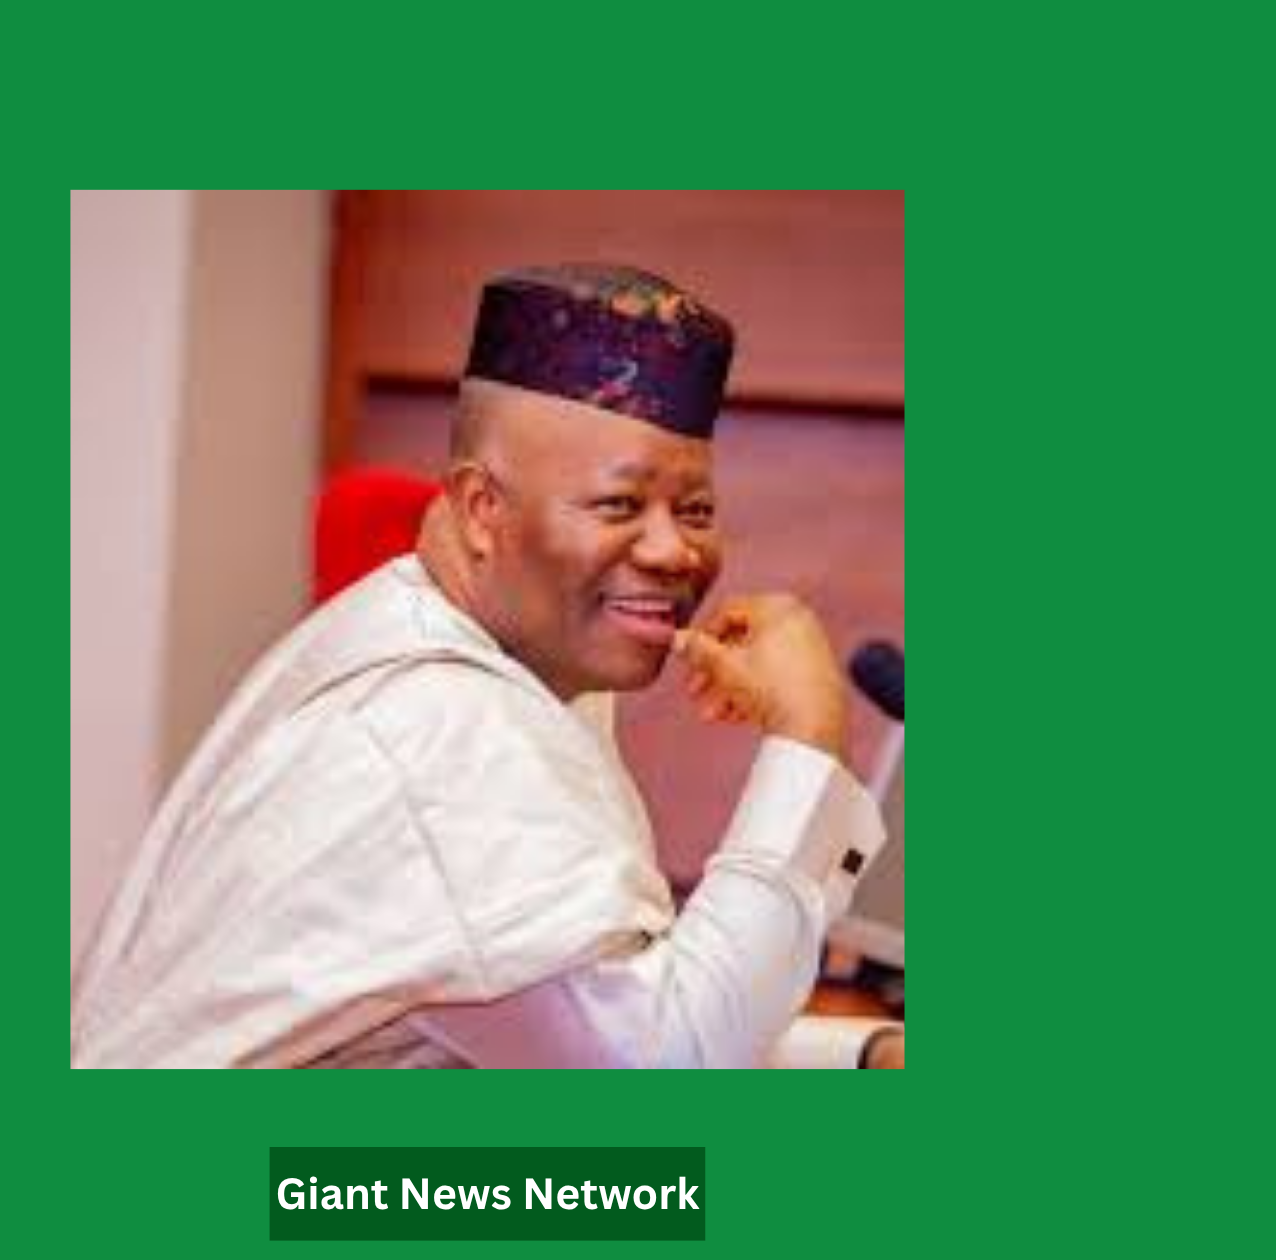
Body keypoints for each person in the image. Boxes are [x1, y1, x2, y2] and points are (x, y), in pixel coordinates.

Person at [72, 263, 902, 1068]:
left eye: (695, 510)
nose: (672, 550)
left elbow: (575, 1027)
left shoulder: (487, 657)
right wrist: (807, 738)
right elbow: (663, 1068)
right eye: (619, 504)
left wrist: (862, 1053)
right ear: (480, 509)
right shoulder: (445, 724)